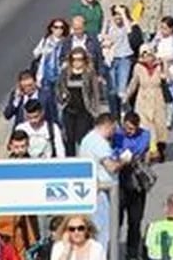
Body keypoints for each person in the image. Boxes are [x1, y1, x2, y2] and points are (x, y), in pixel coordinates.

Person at [77, 113, 131, 248]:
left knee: (97, 228)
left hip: (93, 189)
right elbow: (111, 167)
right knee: (104, 230)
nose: (114, 132)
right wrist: (124, 160)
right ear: (108, 125)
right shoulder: (99, 143)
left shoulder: (87, 139)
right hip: (102, 191)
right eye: (114, 128)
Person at [114, 112, 155, 258]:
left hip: (136, 183)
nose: (128, 132)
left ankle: (132, 253)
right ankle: (113, 250)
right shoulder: (117, 135)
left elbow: (140, 149)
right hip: (120, 183)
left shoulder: (145, 135)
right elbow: (114, 151)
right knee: (116, 221)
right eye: (126, 128)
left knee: (135, 221)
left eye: (132, 129)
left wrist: (125, 155)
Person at [54, 49, 104, 155]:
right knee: (69, 138)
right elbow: (58, 87)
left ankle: (83, 159)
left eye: (80, 59)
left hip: (84, 110)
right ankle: (70, 162)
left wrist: (96, 110)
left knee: (82, 138)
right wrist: (61, 98)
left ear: (84, 60)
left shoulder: (89, 72)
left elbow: (95, 92)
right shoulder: (65, 72)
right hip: (69, 109)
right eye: (74, 59)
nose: (77, 62)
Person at [126, 44, 169, 159]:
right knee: (145, 125)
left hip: (157, 96)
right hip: (143, 98)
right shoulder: (138, 67)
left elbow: (167, 78)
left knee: (159, 125)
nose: (147, 57)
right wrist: (127, 96)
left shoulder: (160, 65)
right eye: (144, 55)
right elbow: (134, 82)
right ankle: (149, 150)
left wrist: (164, 66)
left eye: (149, 54)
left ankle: (160, 149)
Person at [101, 4, 136, 115]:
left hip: (124, 58)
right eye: (116, 15)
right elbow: (101, 36)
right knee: (112, 90)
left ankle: (124, 109)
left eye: (120, 15)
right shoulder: (108, 24)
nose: (118, 17)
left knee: (121, 89)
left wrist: (123, 13)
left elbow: (130, 31)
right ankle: (115, 113)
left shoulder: (127, 24)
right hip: (111, 59)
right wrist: (105, 41)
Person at [32, 18, 68, 92]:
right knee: (46, 98)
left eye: (61, 28)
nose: (58, 30)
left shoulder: (66, 42)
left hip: (59, 75)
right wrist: (44, 51)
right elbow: (35, 53)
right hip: (45, 75)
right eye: (56, 27)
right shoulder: (46, 40)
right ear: (51, 28)